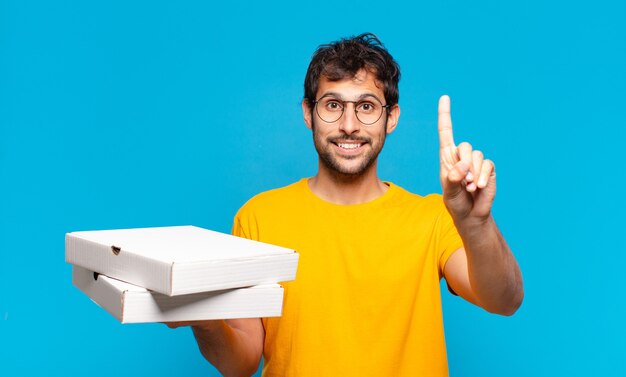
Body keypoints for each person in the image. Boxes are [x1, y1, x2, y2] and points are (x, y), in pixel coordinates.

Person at [168, 33, 524, 377]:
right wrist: (205, 317)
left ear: (392, 117)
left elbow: (504, 299)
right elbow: (240, 364)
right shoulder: (258, 218)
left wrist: (475, 223)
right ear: (309, 113)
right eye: (333, 105)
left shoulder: (433, 218)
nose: (349, 125)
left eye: (366, 106)